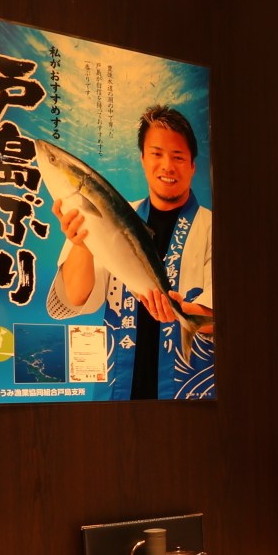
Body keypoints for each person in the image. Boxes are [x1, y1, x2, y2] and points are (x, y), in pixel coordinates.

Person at [45, 104, 214, 399]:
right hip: (117, 395)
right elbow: (74, 297)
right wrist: (81, 243)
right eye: (157, 154)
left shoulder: (213, 227)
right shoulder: (110, 215)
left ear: (192, 166)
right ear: (143, 159)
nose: (167, 166)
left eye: (178, 157)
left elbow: (234, 315)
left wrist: (185, 313)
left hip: (189, 395)